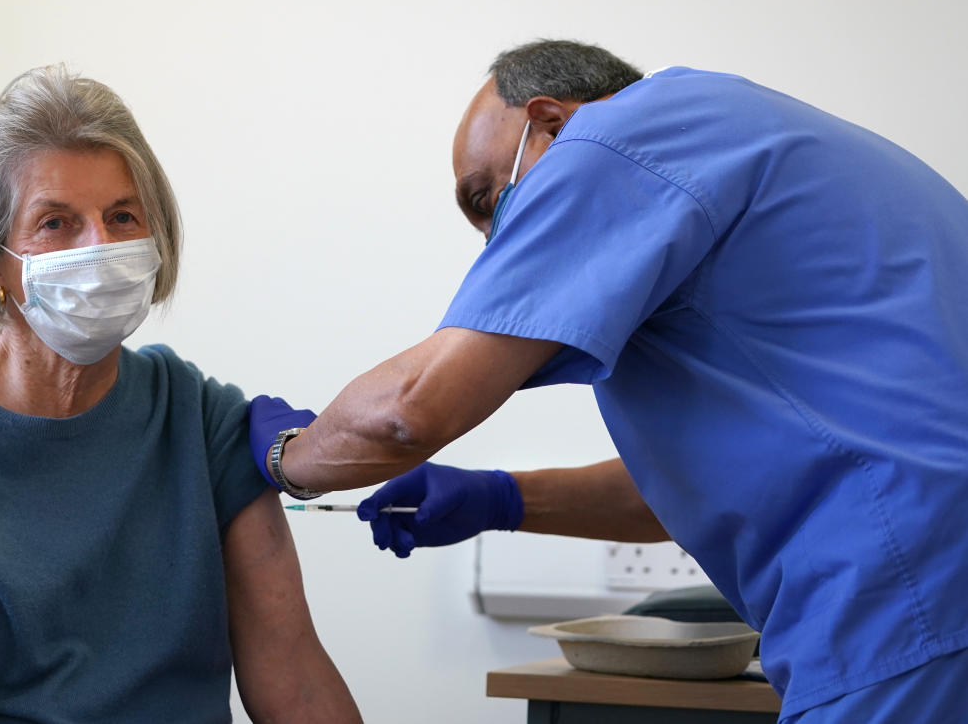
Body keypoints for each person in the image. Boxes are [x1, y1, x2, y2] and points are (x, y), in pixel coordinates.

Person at [247, 40, 968, 722]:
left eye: (489, 199)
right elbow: (700, 490)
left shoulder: (610, 139)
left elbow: (407, 412)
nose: (500, 241)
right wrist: (501, 497)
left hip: (907, 588)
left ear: (549, 120)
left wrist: (288, 453)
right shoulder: (765, 146)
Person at [0, 65, 360, 723]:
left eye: (122, 215)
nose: (101, 247)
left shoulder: (195, 417)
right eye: (56, 222)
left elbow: (296, 682)